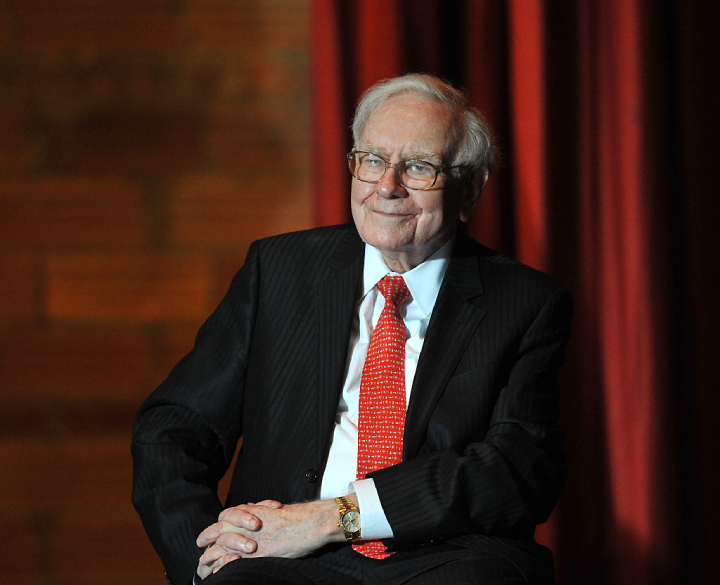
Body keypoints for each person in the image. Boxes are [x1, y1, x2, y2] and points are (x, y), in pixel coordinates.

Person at [132, 73, 572, 585]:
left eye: (420, 167)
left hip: (447, 556)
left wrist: (331, 518)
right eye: (373, 160)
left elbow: (517, 469)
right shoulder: (278, 270)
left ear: (469, 187)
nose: (388, 186)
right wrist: (203, 557)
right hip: (279, 557)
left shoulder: (524, 302)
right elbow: (173, 429)